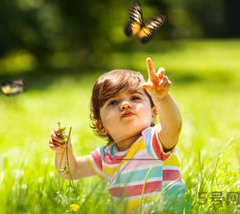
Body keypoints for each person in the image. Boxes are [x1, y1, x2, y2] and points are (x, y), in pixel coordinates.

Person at [49, 58, 185, 212]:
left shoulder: (154, 140)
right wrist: (63, 152)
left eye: (135, 98)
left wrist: (162, 98)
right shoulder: (105, 156)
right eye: (113, 102)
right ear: (101, 126)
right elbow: (72, 171)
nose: (125, 104)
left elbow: (174, 127)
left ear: (154, 114)